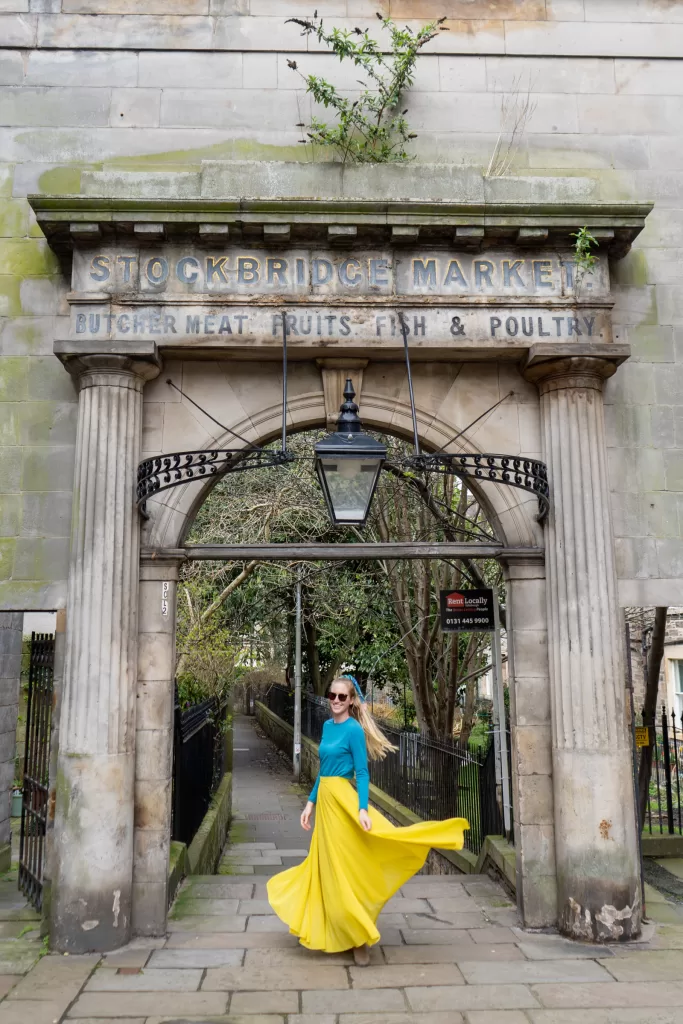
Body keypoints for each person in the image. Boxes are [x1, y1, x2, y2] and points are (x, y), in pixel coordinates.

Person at [267, 674, 469, 967]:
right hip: (325, 802)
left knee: (349, 868)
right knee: (326, 868)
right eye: (331, 696)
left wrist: (362, 808)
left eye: (341, 697)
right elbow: (324, 771)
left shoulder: (353, 731)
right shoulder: (326, 726)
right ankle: (333, 929)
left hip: (344, 804)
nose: (335, 701)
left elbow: (362, 773)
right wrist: (310, 803)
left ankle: (360, 938)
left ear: (351, 701)